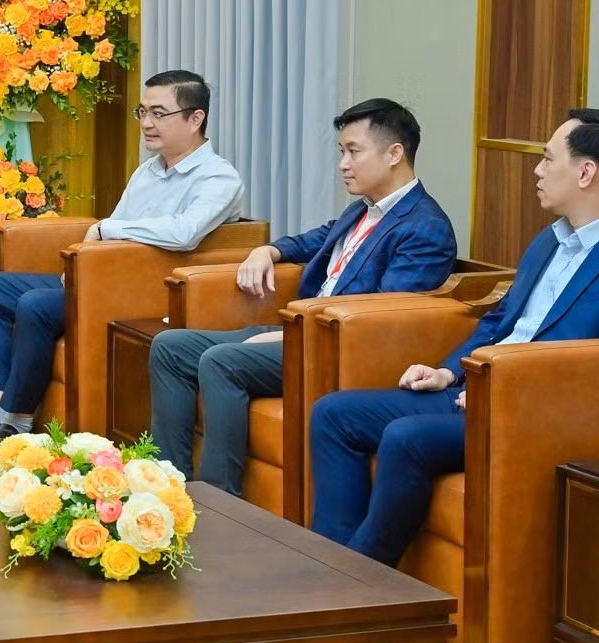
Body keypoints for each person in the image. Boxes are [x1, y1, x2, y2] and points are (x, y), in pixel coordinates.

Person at [310, 109, 599, 566]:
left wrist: (505, 386)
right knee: (334, 414)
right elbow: (500, 321)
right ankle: (327, 564)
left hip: (533, 412)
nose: (537, 169)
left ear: (586, 172)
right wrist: (449, 370)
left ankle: (360, 578)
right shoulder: (550, 240)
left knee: (406, 437)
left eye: (548, 159)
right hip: (478, 389)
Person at [148, 98, 458, 496]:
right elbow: (314, 240)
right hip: (300, 330)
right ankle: (168, 487)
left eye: (353, 151)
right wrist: (268, 251)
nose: (343, 164)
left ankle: (218, 500)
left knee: (223, 361)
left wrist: (293, 335)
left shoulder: (424, 227)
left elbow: (382, 318)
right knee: (171, 347)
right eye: (341, 151)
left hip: (332, 346)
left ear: (394, 153)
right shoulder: (363, 209)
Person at [0, 69, 244, 460]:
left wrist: (105, 231)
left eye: (159, 113)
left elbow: (185, 233)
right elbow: (110, 235)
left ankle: (18, 419)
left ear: (195, 118)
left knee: (36, 305)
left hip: (151, 292)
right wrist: (84, 263)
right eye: (142, 111)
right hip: (106, 279)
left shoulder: (219, 177)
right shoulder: (147, 171)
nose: (147, 123)